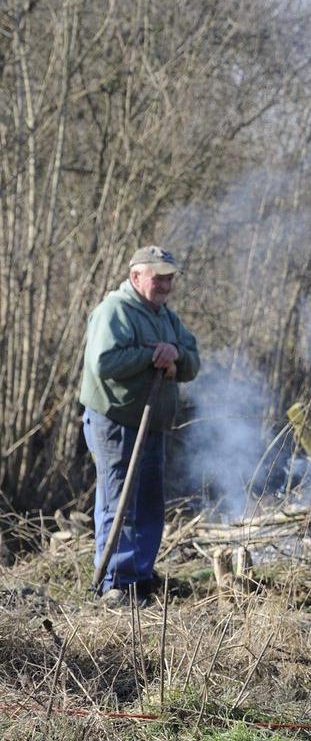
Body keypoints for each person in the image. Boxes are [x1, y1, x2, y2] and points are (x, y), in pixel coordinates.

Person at [79, 245, 201, 605]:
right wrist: (152, 355)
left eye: (169, 278)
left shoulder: (167, 317)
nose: (165, 284)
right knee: (119, 502)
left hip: (152, 425)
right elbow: (104, 361)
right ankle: (115, 583)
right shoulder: (114, 311)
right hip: (116, 421)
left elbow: (192, 361)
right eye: (158, 277)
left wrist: (175, 354)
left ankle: (140, 576)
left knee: (148, 502)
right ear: (136, 277)